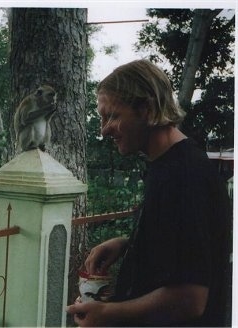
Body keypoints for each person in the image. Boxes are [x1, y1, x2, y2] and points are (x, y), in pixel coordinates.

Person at [66, 59, 232, 326]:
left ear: (146, 109)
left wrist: (106, 315)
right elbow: (181, 246)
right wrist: (128, 244)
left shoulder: (184, 176)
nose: (104, 130)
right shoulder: (167, 165)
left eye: (113, 116)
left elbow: (190, 299)